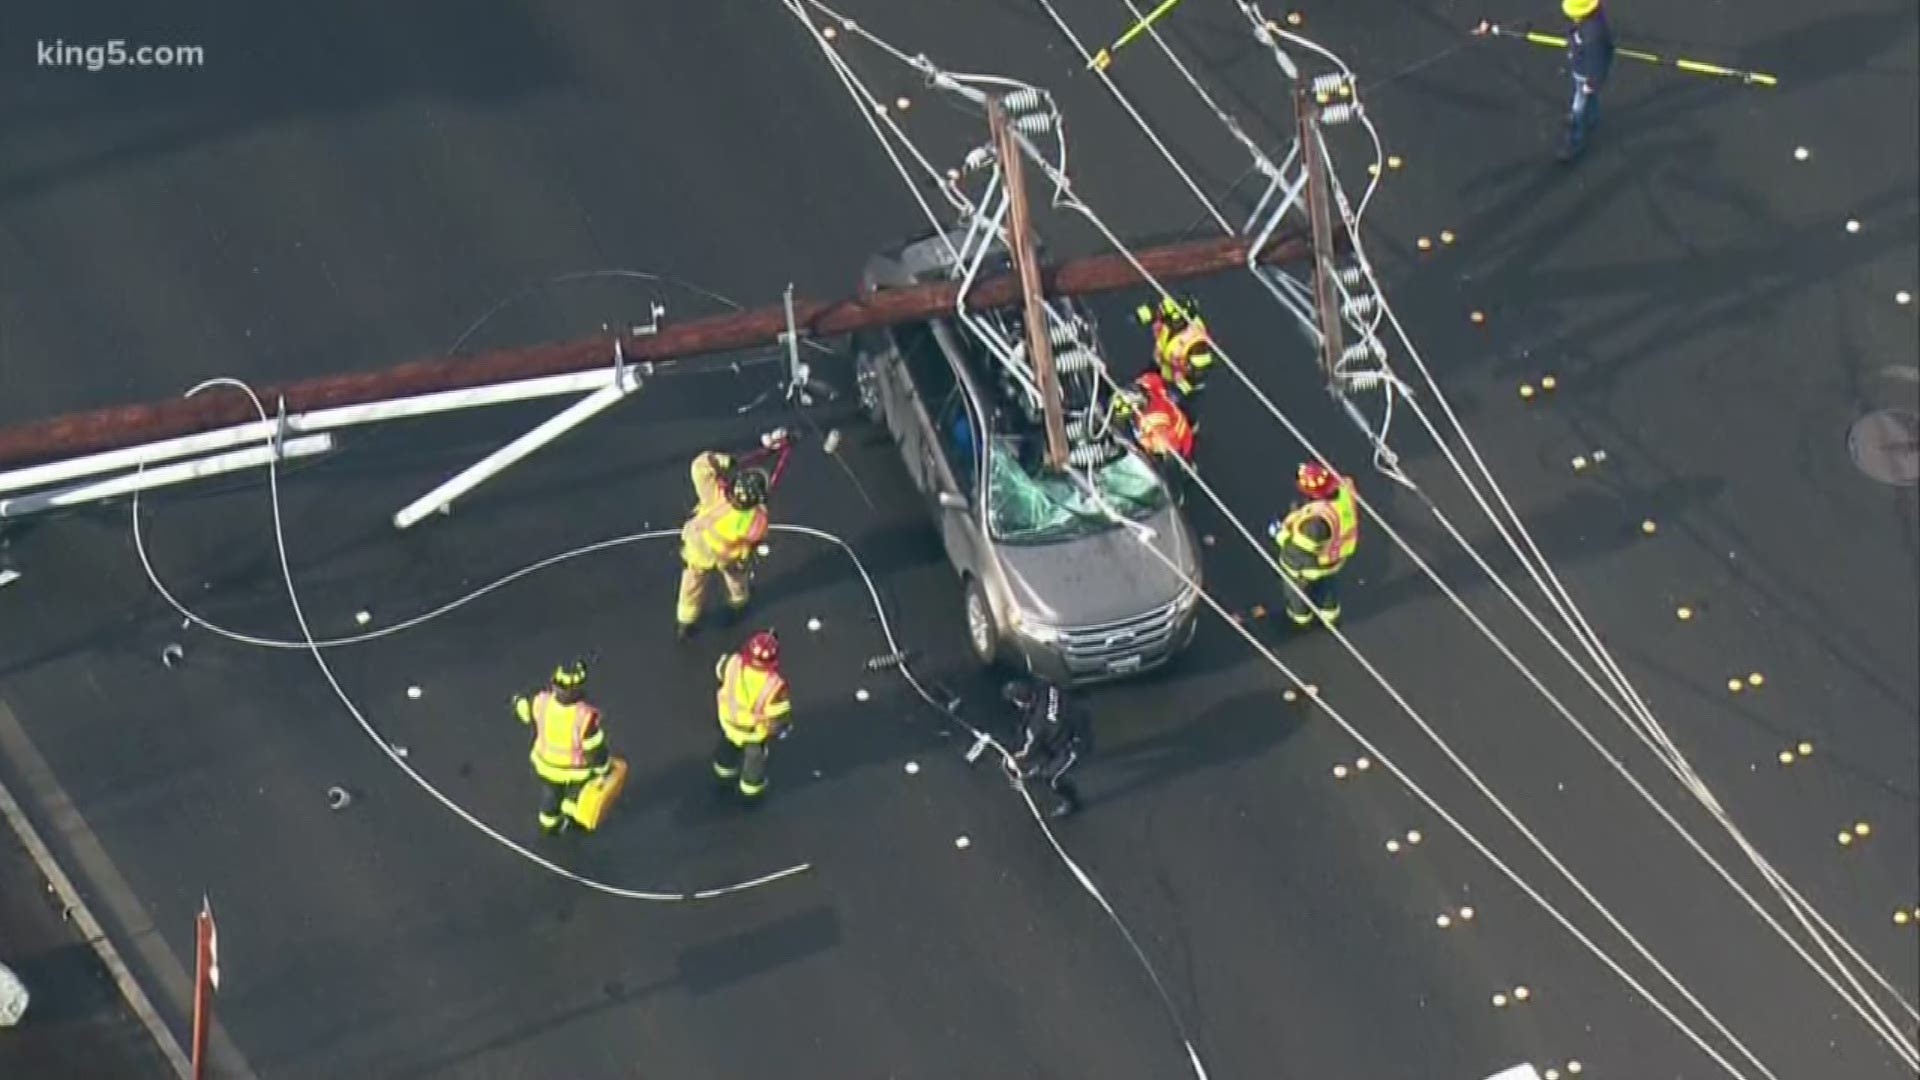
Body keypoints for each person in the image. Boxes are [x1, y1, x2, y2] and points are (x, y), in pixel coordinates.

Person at [677, 432, 788, 640]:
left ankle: (686, 622)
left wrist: (727, 461)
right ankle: (738, 606)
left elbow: (701, 466)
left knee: (691, 584)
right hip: (730, 557)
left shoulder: (714, 494)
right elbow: (757, 537)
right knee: (737, 580)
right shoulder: (756, 519)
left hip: (699, 550)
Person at [513, 660, 611, 835]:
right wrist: (603, 768)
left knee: (551, 794)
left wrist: (517, 700)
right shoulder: (585, 716)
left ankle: (549, 824)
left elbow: (524, 711)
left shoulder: (541, 702)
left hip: (545, 764)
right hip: (576, 770)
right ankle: (574, 816)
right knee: (576, 795)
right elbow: (594, 749)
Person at [1268, 461, 1359, 629]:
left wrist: (1279, 534)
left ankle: (1300, 619)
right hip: (1335, 557)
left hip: (1312, 565)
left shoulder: (1315, 524)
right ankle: (1330, 617)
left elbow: (1298, 552)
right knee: (1327, 588)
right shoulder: (1344, 494)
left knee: (1297, 593)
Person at [712, 630, 793, 803]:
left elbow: (720, 673)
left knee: (726, 752)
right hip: (752, 733)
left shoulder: (732, 663)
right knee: (753, 766)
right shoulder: (775, 685)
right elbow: (778, 714)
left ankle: (722, 779)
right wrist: (780, 728)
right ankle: (750, 796)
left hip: (728, 722)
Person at [1004, 678, 1093, 819]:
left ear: (1021, 701)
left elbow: (1029, 751)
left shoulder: (1038, 725)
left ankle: (1072, 803)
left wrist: (1014, 759)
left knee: (1053, 778)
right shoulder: (1047, 687)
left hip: (1074, 745)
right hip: (1077, 722)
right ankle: (1042, 767)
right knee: (1046, 749)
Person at [1559, 0, 1616, 161]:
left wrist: (1593, 81)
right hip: (1582, 69)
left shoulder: (1593, 34)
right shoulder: (1589, 25)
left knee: (1579, 104)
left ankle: (1575, 141)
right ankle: (1592, 118)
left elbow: (1597, 60)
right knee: (1588, 98)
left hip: (1586, 74)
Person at [1134, 294, 1215, 403]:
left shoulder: (1197, 344)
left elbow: (1198, 374)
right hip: (1159, 366)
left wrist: (1177, 392)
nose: (1165, 323)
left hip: (1181, 384)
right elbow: (1152, 311)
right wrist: (1139, 315)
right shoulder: (1168, 313)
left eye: (1170, 321)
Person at [1115, 370, 1195, 464]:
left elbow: (1168, 451)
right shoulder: (1150, 384)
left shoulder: (1155, 421)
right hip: (1175, 419)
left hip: (1179, 445)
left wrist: (1144, 444)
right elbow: (1152, 378)